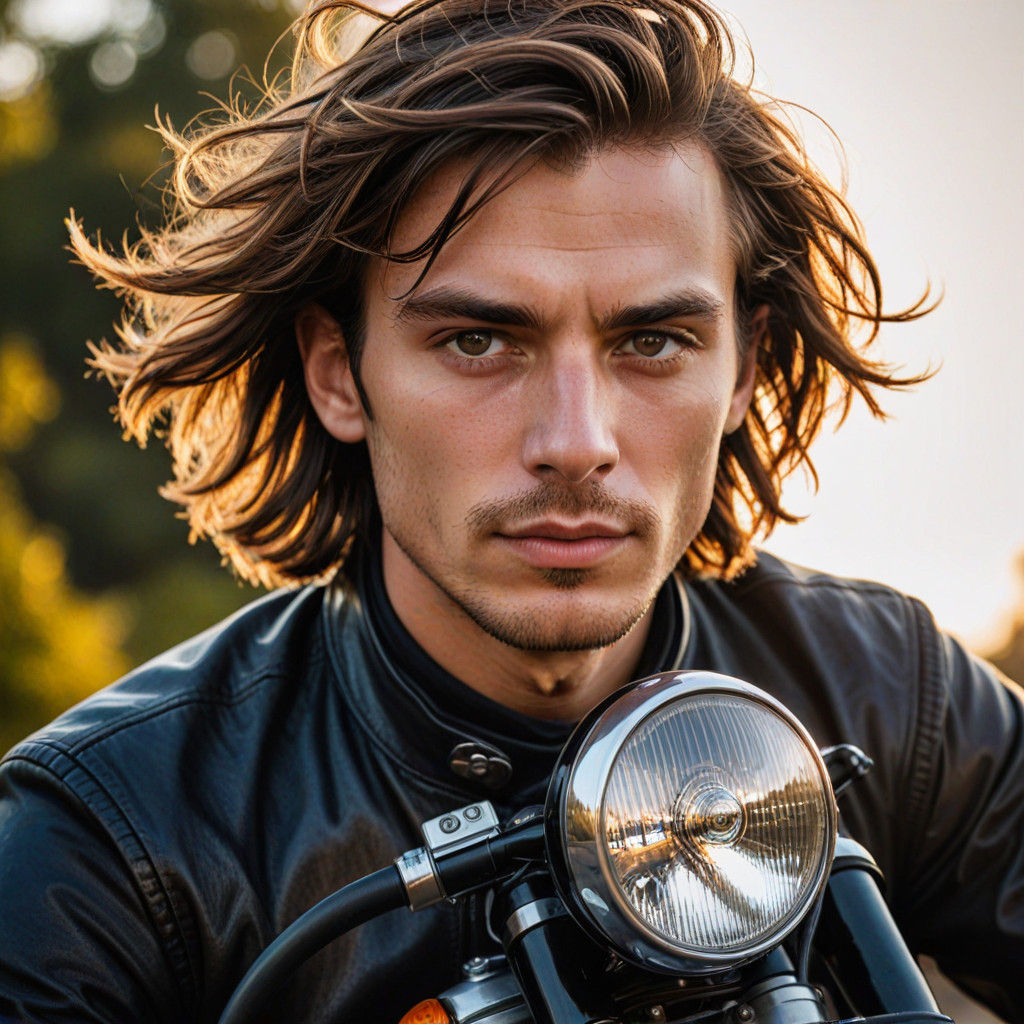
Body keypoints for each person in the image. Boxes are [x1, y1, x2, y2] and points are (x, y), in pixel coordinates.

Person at [1, 1, 1021, 1021]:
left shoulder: (895, 701)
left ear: (745, 366)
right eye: (480, 341)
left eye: (654, 340)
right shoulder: (107, 840)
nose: (577, 441)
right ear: (338, 373)